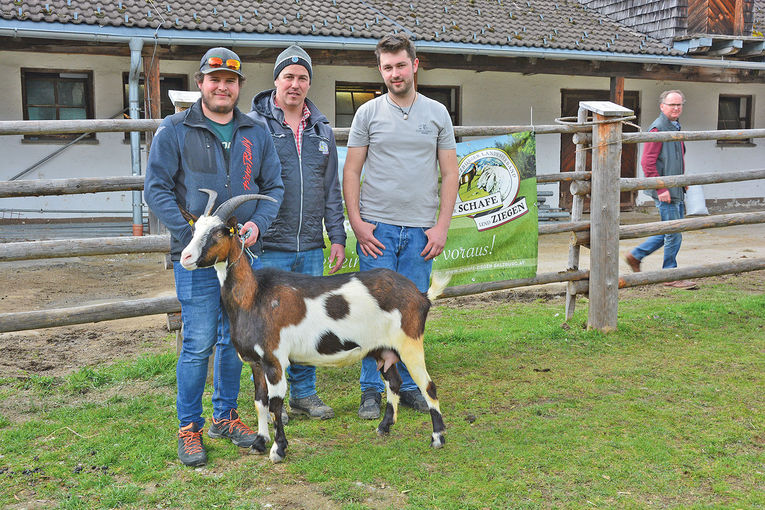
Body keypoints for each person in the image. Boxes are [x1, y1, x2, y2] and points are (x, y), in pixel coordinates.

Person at [145, 47, 284, 467]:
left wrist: (257, 224)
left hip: (239, 260)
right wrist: (196, 234)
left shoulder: (255, 132)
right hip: (195, 259)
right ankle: (190, 427)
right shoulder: (174, 130)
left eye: (230, 80)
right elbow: (156, 189)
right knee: (199, 341)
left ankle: (226, 416)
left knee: (234, 341)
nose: (222, 86)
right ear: (201, 82)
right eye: (214, 78)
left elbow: (274, 187)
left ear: (239, 86)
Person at [342, 33, 459, 420]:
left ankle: (407, 384)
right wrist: (358, 224)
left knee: (411, 311)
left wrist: (441, 227)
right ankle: (371, 390)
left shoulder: (438, 114)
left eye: (400, 65)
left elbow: (450, 174)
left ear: (415, 65)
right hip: (378, 231)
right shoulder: (368, 114)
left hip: (421, 232)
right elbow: (352, 170)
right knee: (370, 312)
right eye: (388, 67)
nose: (395, 73)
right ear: (381, 70)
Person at [248, 45, 346, 422]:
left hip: (309, 245)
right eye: (288, 76)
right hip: (269, 244)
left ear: (309, 83)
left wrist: (336, 235)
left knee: (308, 323)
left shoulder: (321, 129)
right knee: (270, 327)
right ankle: (274, 399)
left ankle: (305, 394)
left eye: (302, 77)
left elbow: (330, 189)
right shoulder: (254, 125)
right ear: (275, 80)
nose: (295, 83)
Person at [624, 90, 697, 290]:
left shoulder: (674, 126)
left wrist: (681, 181)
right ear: (662, 106)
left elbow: (675, 158)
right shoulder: (657, 129)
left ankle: (635, 255)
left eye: (679, 105)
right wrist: (661, 187)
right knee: (674, 232)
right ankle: (670, 274)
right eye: (672, 104)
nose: (676, 108)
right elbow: (647, 162)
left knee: (669, 229)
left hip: (675, 188)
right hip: (665, 191)